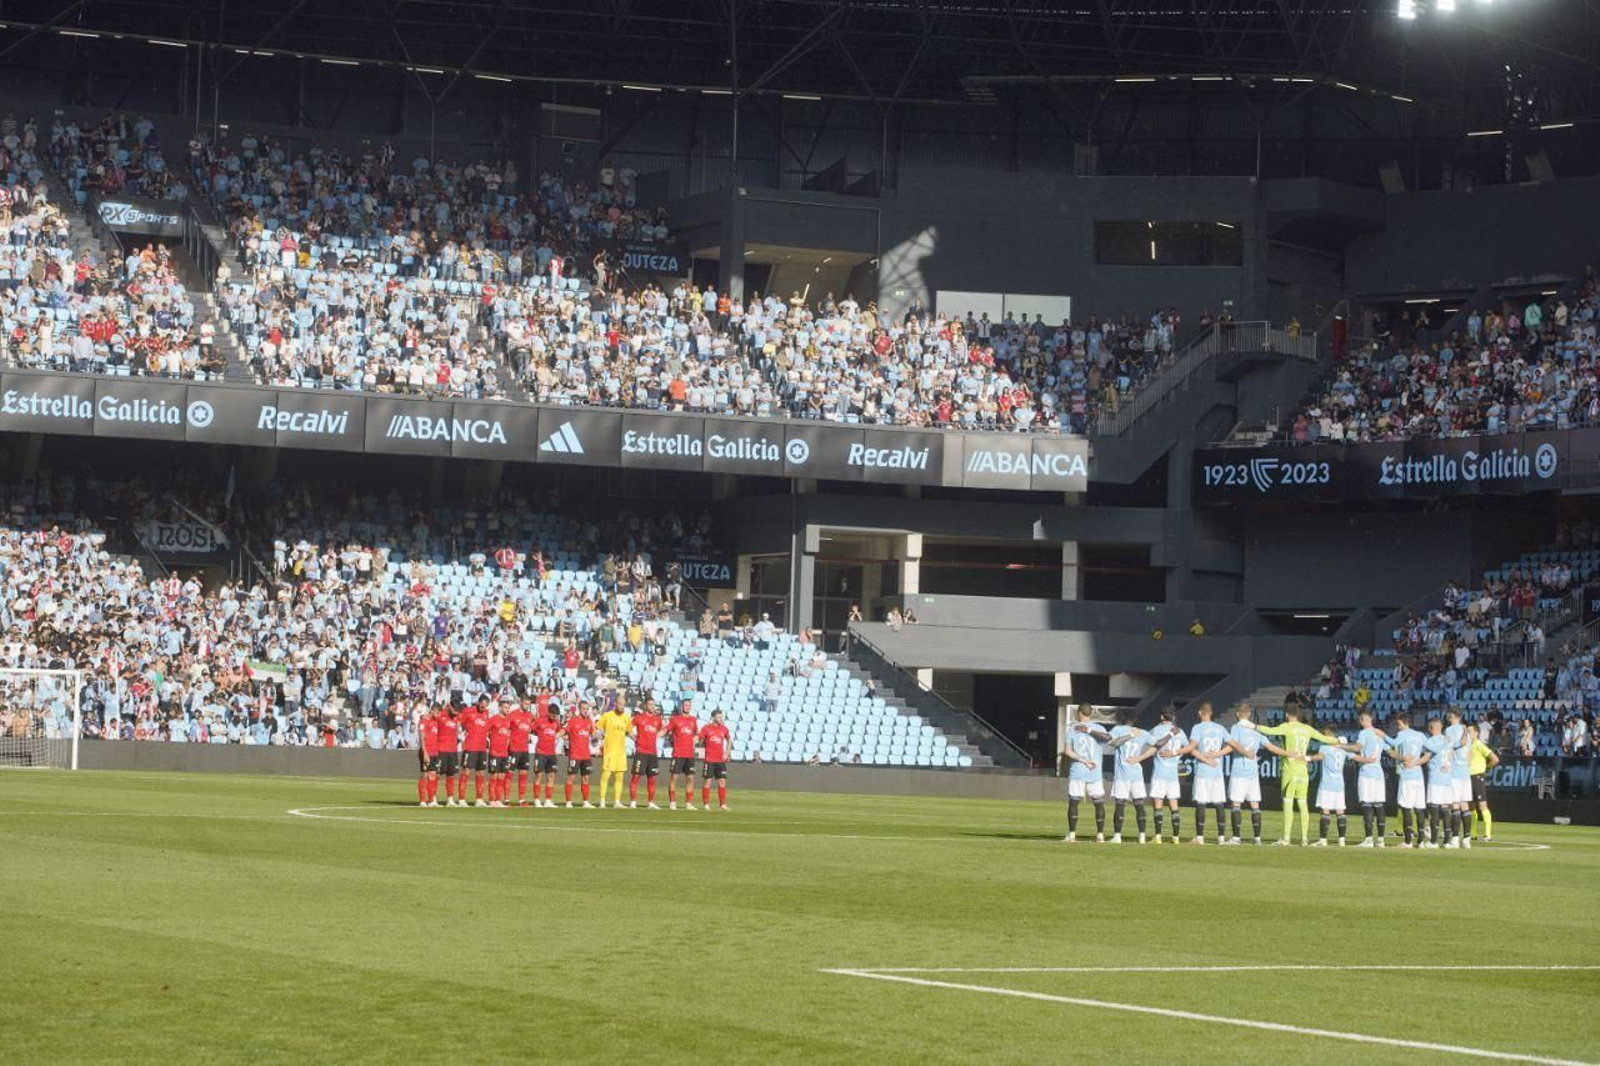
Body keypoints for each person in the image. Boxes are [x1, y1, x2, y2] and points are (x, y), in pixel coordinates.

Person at [1249, 706, 1341, 846]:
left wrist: (1254, 726)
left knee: (1288, 802)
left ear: (1287, 715)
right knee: (1303, 804)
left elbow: (1270, 731)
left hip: (1289, 769)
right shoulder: (1307, 729)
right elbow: (1325, 738)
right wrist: (1339, 740)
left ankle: (1286, 838)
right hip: (1303, 770)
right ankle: (1304, 838)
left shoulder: (1287, 727)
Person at [1061, 704, 1108, 844]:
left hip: (1078, 771)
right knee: (1099, 803)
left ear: (1079, 713)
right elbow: (1107, 738)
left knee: (1074, 803)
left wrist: (1083, 760)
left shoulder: (1072, 729)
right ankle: (1100, 835)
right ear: (1091, 713)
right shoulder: (1099, 728)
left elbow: (1068, 752)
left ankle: (1072, 835)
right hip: (1095, 771)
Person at [1140, 707, 1188, 844]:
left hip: (1159, 773)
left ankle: (1158, 837)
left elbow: (1148, 745)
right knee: (1174, 805)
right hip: (1173, 774)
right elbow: (1189, 747)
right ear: (1173, 717)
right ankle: (1176, 838)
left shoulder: (1156, 730)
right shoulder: (1180, 731)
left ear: (1162, 717)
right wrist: (1177, 754)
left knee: (1158, 804)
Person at [1222, 702, 1268, 845]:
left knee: (1236, 804)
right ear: (1248, 714)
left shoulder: (1236, 727)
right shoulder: (1255, 730)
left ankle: (1236, 838)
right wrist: (1287, 753)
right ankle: (1257, 838)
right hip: (1253, 773)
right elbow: (1270, 746)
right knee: (1255, 804)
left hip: (1239, 771)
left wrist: (1218, 753)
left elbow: (1233, 745)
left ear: (1237, 714)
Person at [1305, 730, 1361, 846]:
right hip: (1339, 785)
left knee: (1325, 811)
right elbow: (1356, 756)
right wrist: (1369, 760)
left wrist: (1308, 758)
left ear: (1329, 735)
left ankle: (1323, 840)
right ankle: (1342, 840)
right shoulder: (1343, 749)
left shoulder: (1324, 747)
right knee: (1340, 811)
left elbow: (1320, 757)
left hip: (1326, 784)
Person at [1105, 709, 1154, 844]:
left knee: (1120, 804)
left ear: (1122, 718)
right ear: (1135, 719)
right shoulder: (1143, 732)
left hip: (1122, 775)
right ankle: (1142, 837)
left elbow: (1111, 742)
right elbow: (1157, 745)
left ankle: (1117, 836)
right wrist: (1141, 757)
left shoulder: (1118, 729)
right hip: (1137, 775)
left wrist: (1130, 735)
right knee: (1139, 805)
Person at [1188, 702, 1230, 845]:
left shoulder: (1197, 728)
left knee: (1201, 803)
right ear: (1211, 713)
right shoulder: (1220, 728)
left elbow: (1192, 749)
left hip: (1203, 771)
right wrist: (1218, 754)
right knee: (1219, 804)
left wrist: (1206, 759)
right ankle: (1221, 839)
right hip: (1217, 772)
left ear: (1200, 713)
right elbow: (1231, 746)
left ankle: (1199, 838)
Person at [1420, 717, 1461, 849]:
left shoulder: (1430, 741)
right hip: (1447, 779)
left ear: (1432, 728)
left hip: (1436, 779)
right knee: (1446, 808)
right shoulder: (1448, 740)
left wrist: (1414, 763)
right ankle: (1447, 841)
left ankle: (1433, 841)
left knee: (1435, 809)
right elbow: (1458, 747)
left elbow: (1426, 757)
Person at [1352, 710, 1391, 847]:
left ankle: (1368, 839)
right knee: (1379, 805)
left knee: (1367, 805)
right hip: (1378, 773)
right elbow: (1390, 750)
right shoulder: (1379, 733)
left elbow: (1358, 747)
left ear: (1363, 720)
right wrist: (1404, 758)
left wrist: (1341, 747)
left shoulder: (1363, 733)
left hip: (1366, 773)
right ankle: (1380, 840)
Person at [1390, 712, 1429, 848]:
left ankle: (1407, 841)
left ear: (1403, 722)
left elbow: (1393, 743)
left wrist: (1382, 736)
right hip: (1418, 776)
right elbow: (1430, 750)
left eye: (1398, 724)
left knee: (1406, 807)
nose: (1398, 727)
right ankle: (1421, 841)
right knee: (1419, 809)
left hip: (1407, 776)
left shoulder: (1402, 735)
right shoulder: (1420, 735)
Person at [1444, 709, 1475, 848]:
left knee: (1455, 805)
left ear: (1452, 716)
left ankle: (1455, 839)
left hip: (1455, 772)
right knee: (1465, 805)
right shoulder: (1467, 732)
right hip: (1465, 773)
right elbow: (1469, 752)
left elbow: (1448, 748)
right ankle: (1466, 838)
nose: (1447, 717)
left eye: (1449, 715)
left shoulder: (1450, 730)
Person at [595, 699, 632, 809]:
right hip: (609, 750)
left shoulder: (626, 717)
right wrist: (599, 738)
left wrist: (638, 740)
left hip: (621, 752)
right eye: (620, 704)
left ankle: (617, 802)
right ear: (615, 704)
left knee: (619, 777)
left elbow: (630, 732)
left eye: (624, 705)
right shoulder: (607, 716)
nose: (622, 707)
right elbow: (598, 728)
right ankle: (602, 801)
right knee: (605, 776)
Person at [628, 697, 665, 809]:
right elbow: (628, 727)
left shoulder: (657, 719)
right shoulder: (639, 718)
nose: (652, 707)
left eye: (653, 704)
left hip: (652, 752)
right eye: (650, 704)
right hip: (641, 751)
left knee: (652, 778)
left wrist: (657, 736)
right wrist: (634, 738)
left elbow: (663, 729)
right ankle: (633, 802)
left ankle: (651, 802)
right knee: (636, 776)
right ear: (645, 705)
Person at [1468, 723, 1500, 842]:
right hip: (1468, 778)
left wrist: (1487, 768)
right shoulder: (1467, 746)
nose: (1467, 733)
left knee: (1482, 805)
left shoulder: (1479, 744)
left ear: (1476, 733)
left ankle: (1487, 834)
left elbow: (1495, 759)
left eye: (1469, 731)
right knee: (1471, 807)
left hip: (1477, 777)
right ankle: (1473, 833)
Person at [666, 702, 700, 810]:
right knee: (674, 778)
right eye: (685, 705)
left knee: (690, 778)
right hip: (678, 753)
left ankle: (688, 803)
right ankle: (672, 802)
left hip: (689, 754)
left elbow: (697, 734)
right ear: (682, 707)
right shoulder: (675, 719)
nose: (687, 707)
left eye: (689, 705)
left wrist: (694, 740)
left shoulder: (693, 720)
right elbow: (667, 730)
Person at [562, 702, 597, 809]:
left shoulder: (589, 721)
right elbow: (565, 731)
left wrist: (600, 736)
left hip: (586, 755)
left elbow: (594, 734)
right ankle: (568, 802)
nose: (586, 711)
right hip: (575, 755)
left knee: (586, 778)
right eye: (583, 709)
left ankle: (585, 802)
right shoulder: (573, 721)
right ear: (579, 709)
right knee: (571, 777)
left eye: (587, 709)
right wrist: (556, 736)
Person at [459, 696, 492, 807]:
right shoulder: (468, 711)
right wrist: (465, 732)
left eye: (486, 706)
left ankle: (479, 799)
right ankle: (461, 799)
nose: (484, 708)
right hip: (470, 747)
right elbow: (459, 722)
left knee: (481, 773)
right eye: (482, 705)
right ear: (478, 703)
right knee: (466, 772)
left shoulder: (487, 713)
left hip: (482, 748)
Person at [699, 709, 732, 811]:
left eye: (721, 717)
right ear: (713, 718)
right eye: (719, 717)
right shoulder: (706, 728)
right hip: (709, 759)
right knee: (707, 782)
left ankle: (722, 804)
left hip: (720, 760)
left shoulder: (724, 729)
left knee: (722, 781)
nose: (721, 719)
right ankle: (706, 804)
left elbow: (729, 740)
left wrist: (726, 753)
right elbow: (700, 740)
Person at [532, 701, 563, 808]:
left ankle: (548, 800)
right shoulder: (540, 720)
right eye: (553, 715)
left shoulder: (556, 722)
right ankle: (536, 800)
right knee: (538, 775)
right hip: (540, 752)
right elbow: (531, 729)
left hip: (552, 753)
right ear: (549, 713)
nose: (554, 718)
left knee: (551, 776)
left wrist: (559, 734)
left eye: (556, 716)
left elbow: (560, 731)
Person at [506, 698, 535, 807]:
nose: (527, 705)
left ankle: (522, 800)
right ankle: (506, 799)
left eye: (529, 703)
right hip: (513, 749)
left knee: (524, 774)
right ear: (521, 703)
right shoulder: (512, 715)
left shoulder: (530, 716)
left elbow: (532, 728)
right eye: (525, 703)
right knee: (509, 774)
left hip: (524, 749)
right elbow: (506, 728)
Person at [433, 702, 462, 808]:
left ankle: (450, 799)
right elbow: (431, 716)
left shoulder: (457, 717)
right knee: (437, 774)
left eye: (457, 710)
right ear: (450, 707)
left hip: (453, 750)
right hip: (441, 750)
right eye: (455, 710)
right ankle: (433, 798)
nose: (456, 712)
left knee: (451, 775)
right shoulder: (441, 715)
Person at [486, 702, 512, 807]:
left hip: (504, 753)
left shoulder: (508, 721)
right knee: (494, 776)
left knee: (502, 776)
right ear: (500, 707)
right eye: (505, 707)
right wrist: (488, 741)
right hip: (494, 752)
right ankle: (492, 800)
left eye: (508, 708)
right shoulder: (493, 719)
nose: (507, 709)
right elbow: (484, 731)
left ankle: (498, 799)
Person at [417, 701, 439, 807]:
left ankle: (431, 800)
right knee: (424, 775)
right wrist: (424, 752)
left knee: (433, 775)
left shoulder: (435, 721)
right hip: (426, 751)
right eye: (438, 713)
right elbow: (422, 737)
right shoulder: (424, 720)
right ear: (433, 710)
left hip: (434, 752)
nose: (438, 715)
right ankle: (422, 800)